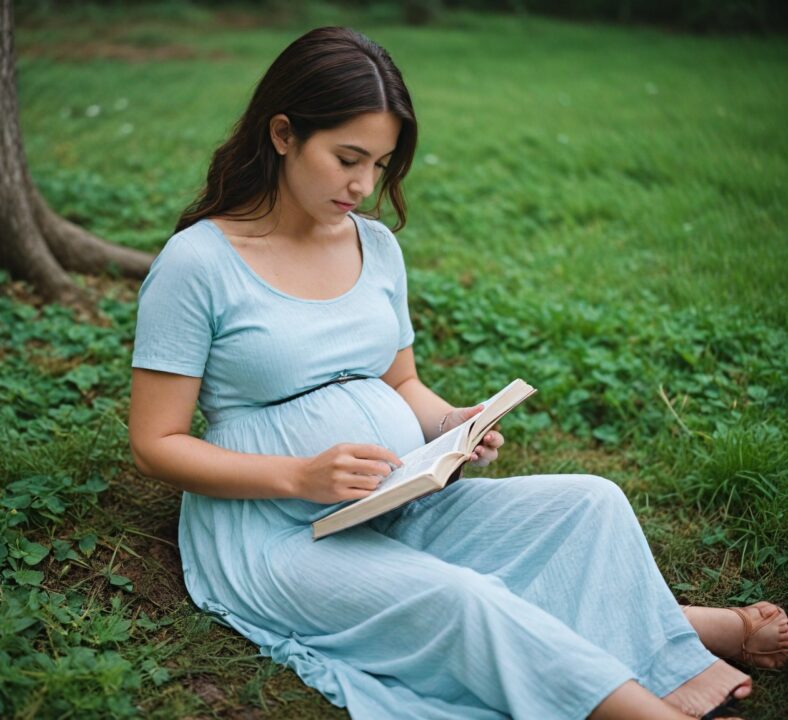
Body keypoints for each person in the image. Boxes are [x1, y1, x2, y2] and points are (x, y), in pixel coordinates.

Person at [128, 26, 787, 720]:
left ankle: (664, 650)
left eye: (380, 164)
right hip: (276, 534)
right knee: (465, 600)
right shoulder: (199, 263)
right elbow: (155, 443)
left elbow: (401, 383)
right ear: (284, 133)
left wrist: (451, 425)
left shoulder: (374, 247)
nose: (363, 185)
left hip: (394, 502)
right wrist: (299, 477)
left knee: (591, 501)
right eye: (347, 158)